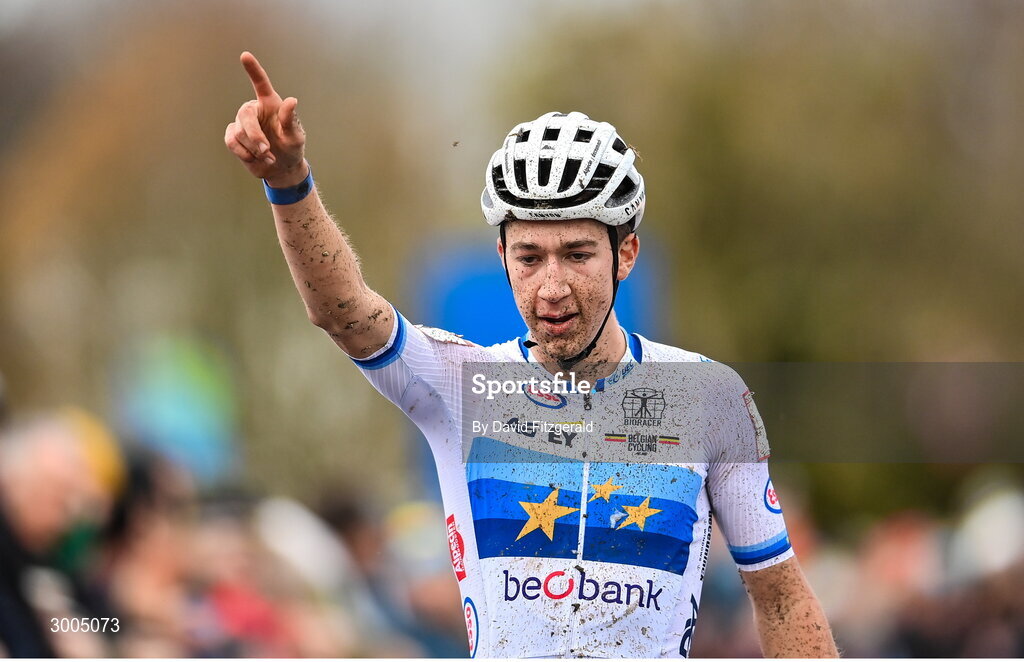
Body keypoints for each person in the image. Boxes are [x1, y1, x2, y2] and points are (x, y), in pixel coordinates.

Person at [225, 51, 838, 658]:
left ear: (625, 255)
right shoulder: (463, 382)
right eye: (529, 257)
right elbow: (345, 311)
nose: (551, 286)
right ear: (502, 259)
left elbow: (781, 596)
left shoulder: (708, 398)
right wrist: (289, 185)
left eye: (577, 254)